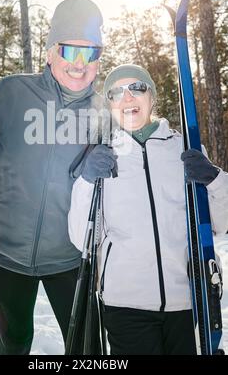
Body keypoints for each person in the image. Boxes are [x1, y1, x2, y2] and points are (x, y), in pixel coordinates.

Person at [0, 0, 104, 355]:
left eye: (91, 53)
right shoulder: (10, 92)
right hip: (9, 255)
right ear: (50, 52)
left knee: (87, 349)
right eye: (70, 51)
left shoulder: (105, 111)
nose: (80, 65)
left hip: (72, 258)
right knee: (15, 342)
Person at [68, 63, 228, 355]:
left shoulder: (185, 149)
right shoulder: (102, 156)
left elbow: (220, 223)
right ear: (110, 105)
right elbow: (82, 239)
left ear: (152, 97)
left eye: (137, 88)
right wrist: (87, 180)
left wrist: (215, 180)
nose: (127, 98)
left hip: (188, 301)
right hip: (127, 307)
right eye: (116, 93)